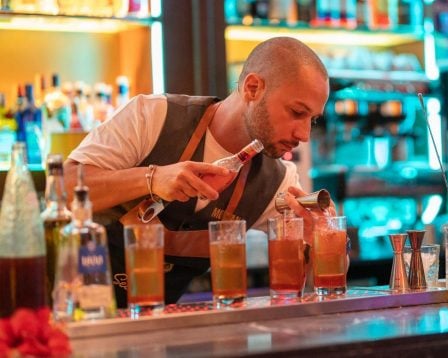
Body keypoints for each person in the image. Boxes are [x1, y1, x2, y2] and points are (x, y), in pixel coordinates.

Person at [64, 36, 332, 307]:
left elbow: (306, 290)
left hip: (154, 329)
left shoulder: (277, 182)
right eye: (297, 112)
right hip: (69, 310)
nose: (305, 134)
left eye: (313, 119)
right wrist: (153, 178)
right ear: (253, 88)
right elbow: (64, 187)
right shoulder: (152, 116)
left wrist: (320, 241)